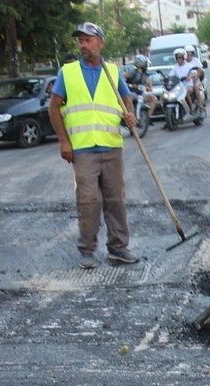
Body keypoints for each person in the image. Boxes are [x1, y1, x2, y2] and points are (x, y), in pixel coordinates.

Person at [48, 22, 140, 269]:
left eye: (88, 40)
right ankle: (87, 251)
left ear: (101, 42)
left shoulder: (112, 71)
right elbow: (54, 107)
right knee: (88, 200)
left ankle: (118, 248)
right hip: (83, 149)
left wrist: (130, 116)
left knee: (115, 200)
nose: (83, 45)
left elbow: (126, 102)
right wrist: (63, 140)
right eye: (80, 41)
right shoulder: (67, 73)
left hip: (111, 146)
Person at [123, 54, 158, 121]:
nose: (146, 65)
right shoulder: (132, 72)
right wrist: (131, 85)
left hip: (141, 95)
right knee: (129, 98)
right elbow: (122, 78)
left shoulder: (145, 75)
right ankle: (131, 117)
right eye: (145, 63)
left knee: (154, 99)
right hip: (132, 93)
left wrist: (147, 88)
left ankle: (147, 118)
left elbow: (150, 88)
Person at [169, 48, 203, 114]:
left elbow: (194, 72)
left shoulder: (189, 66)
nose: (178, 59)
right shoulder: (175, 67)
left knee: (185, 92)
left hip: (188, 86)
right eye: (176, 58)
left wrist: (190, 76)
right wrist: (166, 79)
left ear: (183, 57)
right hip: (178, 87)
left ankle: (191, 109)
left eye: (179, 57)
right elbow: (171, 75)